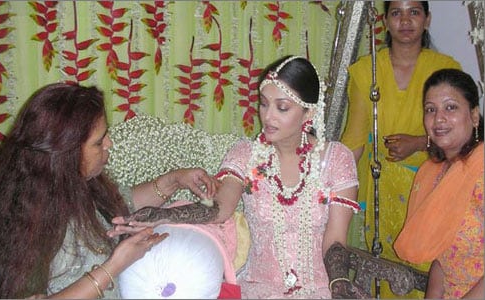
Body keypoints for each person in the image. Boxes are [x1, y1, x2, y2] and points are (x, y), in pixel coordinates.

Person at [111, 55, 369, 298]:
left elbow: (335, 241)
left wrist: (339, 284)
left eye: (282, 108)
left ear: (308, 113)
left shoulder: (336, 159)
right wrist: (160, 215)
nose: (267, 116)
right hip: (257, 290)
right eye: (264, 103)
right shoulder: (247, 154)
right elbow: (220, 208)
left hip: (320, 291)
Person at [0, 82, 219, 299]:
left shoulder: (76, 183)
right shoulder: (23, 220)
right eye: (99, 142)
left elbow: (119, 204)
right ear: (65, 155)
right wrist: (115, 266)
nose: (109, 144)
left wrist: (174, 180)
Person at [340, 1, 461, 297]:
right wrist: (325, 177)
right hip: (380, 191)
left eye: (414, 12)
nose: (405, 20)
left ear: (427, 19)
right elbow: (354, 138)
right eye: (397, 13)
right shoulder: (365, 71)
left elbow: (461, 135)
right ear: (385, 21)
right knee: (385, 277)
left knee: (428, 274)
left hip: (432, 191)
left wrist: (420, 143)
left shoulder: (446, 69)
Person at [394, 69, 484, 299]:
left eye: (450, 107)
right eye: (430, 109)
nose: (439, 118)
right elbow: (442, 257)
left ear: (474, 116)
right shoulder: (433, 173)